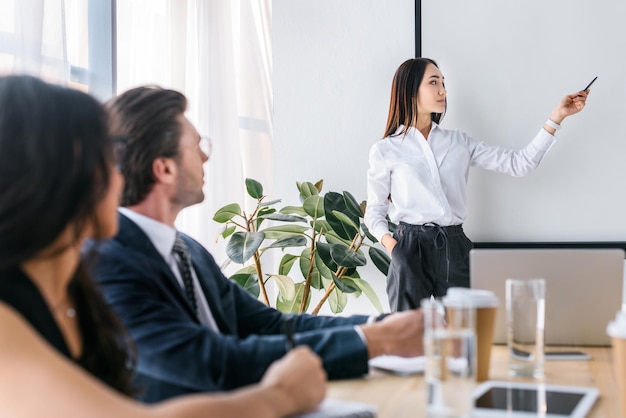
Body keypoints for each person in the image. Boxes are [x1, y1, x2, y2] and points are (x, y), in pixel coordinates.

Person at [0, 74, 326, 418]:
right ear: (55, 178)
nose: (121, 174)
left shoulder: (77, 290)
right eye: (107, 158)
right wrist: (279, 396)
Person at [89, 85, 425, 402]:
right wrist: (376, 341)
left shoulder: (187, 250)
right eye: (197, 147)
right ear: (163, 168)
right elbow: (211, 362)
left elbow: (271, 325)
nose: (206, 158)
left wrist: (379, 326)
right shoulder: (109, 262)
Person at [363, 57, 589, 312]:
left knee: (467, 334)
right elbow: (374, 211)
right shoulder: (386, 150)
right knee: (410, 339)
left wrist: (556, 117)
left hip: (454, 247)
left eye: (443, 83)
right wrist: (394, 248)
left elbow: (520, 163)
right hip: (408, 247)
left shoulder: (459, 142)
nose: (443, 91)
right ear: (410, 88)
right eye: (434, 82)